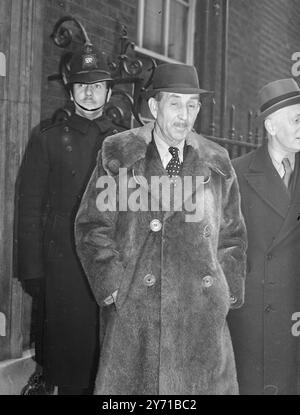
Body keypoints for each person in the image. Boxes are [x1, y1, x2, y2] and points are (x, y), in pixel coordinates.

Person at [74, 63, 247, 395]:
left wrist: (226, 291)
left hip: (200, 318)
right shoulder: (121, 154)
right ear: (154, 107)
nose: (185, 114)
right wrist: (114, 287)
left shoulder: (217, 161)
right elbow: (91, 226)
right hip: (137, 318)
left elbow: (233, 234)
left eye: (192, 105)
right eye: (175, 103)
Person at [18, 43, 122, 395]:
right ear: (71, 90)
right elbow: (30, 207)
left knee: (108, 362)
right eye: (82, 86)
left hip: (111, 265)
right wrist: (33, 270)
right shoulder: (48, 139)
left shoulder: (123, 141)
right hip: (64, 267)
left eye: (97, 85)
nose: (89, 93)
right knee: (69, 364)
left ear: (108, 91)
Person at [227, 78, 300, 395]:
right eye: (296, 118)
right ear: (271, 125)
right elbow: (221, 243)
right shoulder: (236, 173)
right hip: (253, 319)